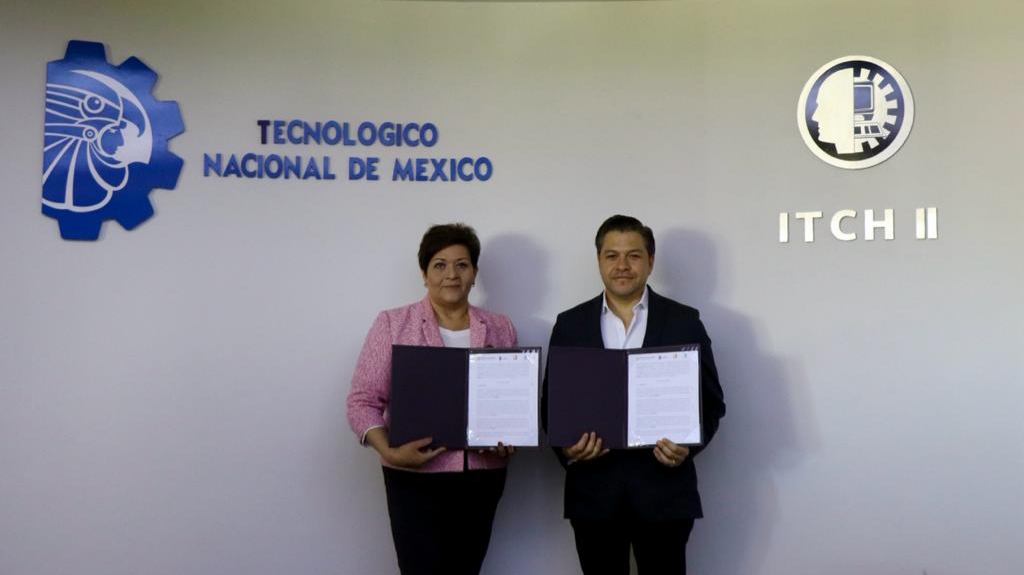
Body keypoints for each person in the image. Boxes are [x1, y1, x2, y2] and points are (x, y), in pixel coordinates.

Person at [543, 215, 726, 575]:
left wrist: (687, 447)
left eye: (634, 255)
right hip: (593, 494)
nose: (622, 266)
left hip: (665, 494)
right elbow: (551, 405)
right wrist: (568, 451)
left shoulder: (685, 321)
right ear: (599, 261)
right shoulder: (570, 324)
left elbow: (712, 402)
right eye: (612, 255)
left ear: (650, 261)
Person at [347, 223, 518, 575]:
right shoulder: (393, 323)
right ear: (424, 274)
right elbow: (362, 402)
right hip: (413, 475)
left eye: (462, 264)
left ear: (475, 273)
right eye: (440, 265)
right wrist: (389, 450)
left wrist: (510, 438)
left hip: (481, 479)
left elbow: (510, 403)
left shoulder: (501, 327)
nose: (451, 274)